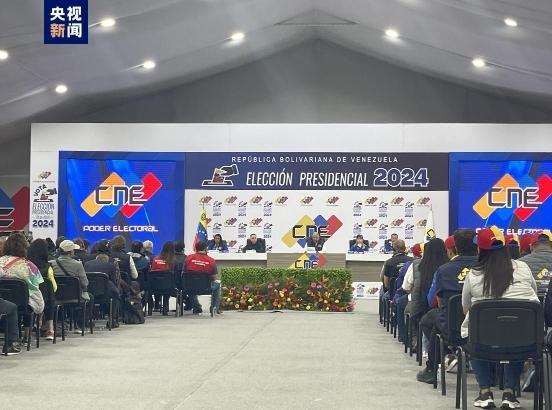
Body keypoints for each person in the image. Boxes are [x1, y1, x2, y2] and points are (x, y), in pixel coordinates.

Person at [462, 226, 538, 409]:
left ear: (479, 249)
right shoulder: (523, 267)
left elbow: (466, 308)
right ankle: (510, 393)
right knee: (517, 333)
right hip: (525, 341)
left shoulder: (473, 275)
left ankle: (485, 392)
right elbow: (533, 298)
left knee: (474, 333)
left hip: (483, 344)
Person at [416, 229, 478, 383]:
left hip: (453, 327)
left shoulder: (443, 270)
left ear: (455, 247)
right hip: (484, 327)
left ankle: (434, 366)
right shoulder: (487, 268)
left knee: (430, 321)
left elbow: (434, 301)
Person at [0, 233, 45, 340]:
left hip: (3, 300)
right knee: (32, 296)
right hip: (23, 304)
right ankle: (27, 335)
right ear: (25, 247)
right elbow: (37, 284)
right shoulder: (30, 266)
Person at [84, 240, 121, 327]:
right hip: (105, 294)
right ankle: (112, 320)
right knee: (115, 294)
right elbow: (114, 282)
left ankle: (86, 320)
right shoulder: (111, 265)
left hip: (89, 293)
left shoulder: (87, 264)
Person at [27, 239, 57, 340]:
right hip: (44, 300)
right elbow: (54, 287)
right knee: (50, 291)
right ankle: (50, 328)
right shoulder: (48, 267)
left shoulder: (25, 266)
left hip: (26, 298)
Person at [379, 239, 412, 323]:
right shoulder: (412, 261)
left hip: (393, 293)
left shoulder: (389, 262)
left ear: (394, 249)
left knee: (383, 294)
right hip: (409, 293)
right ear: (404, 248)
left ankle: (386, 318)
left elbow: (386, 284)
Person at [183, 241, 221, 315]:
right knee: (217, 284)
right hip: (206, 288)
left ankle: (196, 307)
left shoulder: (188, 258)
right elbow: (214, 278)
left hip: (190, 287)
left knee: (190, 282)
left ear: (195, 249)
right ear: (205, 249)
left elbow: (184, 273)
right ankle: (214, 308)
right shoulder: (211, 260)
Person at [150, 241, 176, 315]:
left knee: (158, 281)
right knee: (167, 283)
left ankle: (156, 305)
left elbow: (152, 271)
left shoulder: (155, 259)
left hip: (155, 285)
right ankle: (165, 307)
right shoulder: (173, 261)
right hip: (168, 286)